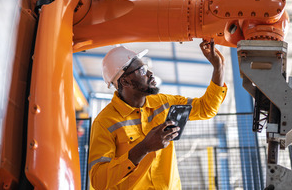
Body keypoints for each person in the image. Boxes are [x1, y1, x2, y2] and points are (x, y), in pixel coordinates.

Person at [88, 39, 227, 190]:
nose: (149, 73)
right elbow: (98, 180)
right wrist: (143, 148)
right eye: (141, 70)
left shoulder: (164, 103)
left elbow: (206, 108)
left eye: (146, 67)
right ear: (125, 81)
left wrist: (218, 67)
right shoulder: (105, 122)